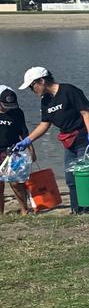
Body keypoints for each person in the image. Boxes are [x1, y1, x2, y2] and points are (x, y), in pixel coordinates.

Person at [14, 67, 89, 214]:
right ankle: (77, 210)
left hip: (85, 137)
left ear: (42, 81)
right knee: (71, 177)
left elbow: (85, 112)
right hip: (69, 140)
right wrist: (27, 140)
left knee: (84, 174)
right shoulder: (46, 101)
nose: (33, 90)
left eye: (32, 86)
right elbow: (45, 124)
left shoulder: (69, 91)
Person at [0, 85, 35, 214]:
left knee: (15, 182)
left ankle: (24, 210)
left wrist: (31, 149)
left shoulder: (17, 112)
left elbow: (24, 132)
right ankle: (1, 213)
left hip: (13, 150)